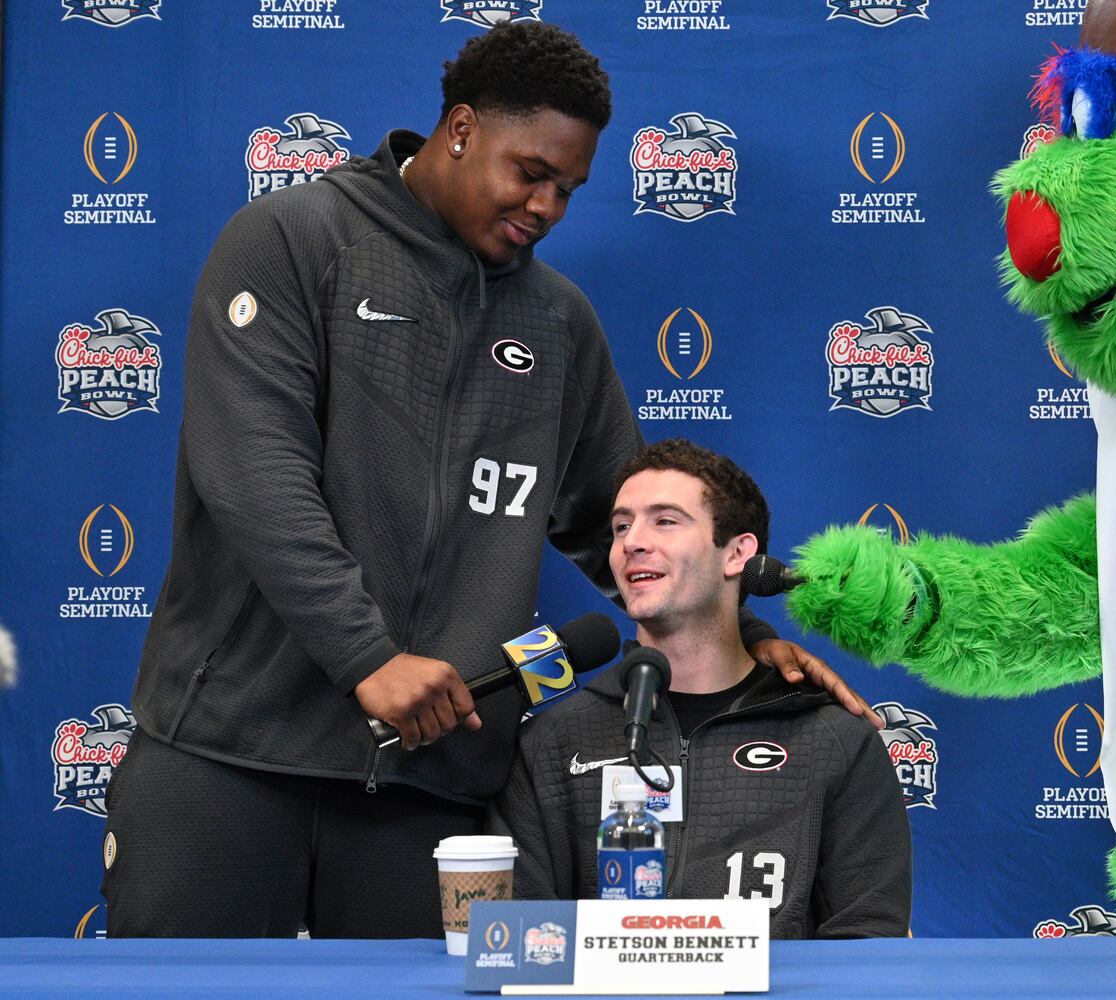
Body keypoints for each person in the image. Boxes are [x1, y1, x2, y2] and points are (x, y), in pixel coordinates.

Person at [102, 23, 869, 940]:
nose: (547, 205)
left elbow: (616, 525)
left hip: (434, 787)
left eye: (569, 190)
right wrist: (368, 659)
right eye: (531, 172)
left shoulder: (558, 322)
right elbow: (254, 474)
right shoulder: (292, 240)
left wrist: (738, 632)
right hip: (228, 754)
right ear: (459, 129)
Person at [497, 440, 912, 938]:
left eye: (665, 521)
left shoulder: (835, 740)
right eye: (621, 526)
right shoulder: (553, 740)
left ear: (738, 553)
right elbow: (523, 945)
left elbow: (868, 942)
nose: (632, 542)